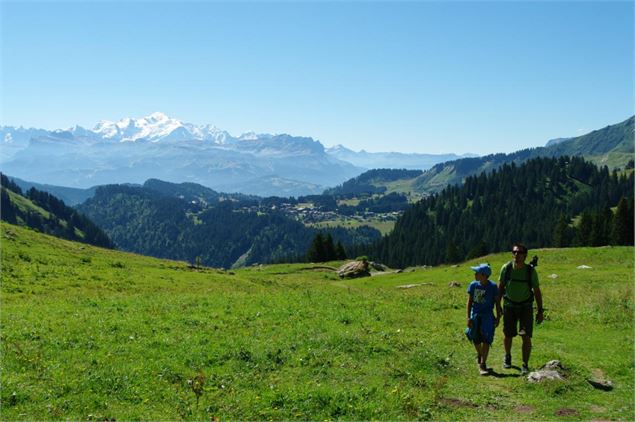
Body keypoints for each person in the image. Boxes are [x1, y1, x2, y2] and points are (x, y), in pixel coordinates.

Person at [497, 243, 544, 374]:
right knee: (507, 334)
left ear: (525, 255)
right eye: (514, 252)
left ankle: (525, 364)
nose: (517, 255)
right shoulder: (506, 268)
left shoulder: (530, 271)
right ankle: (507, 357)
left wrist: (540, 311)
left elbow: (537, 291)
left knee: (526, 336)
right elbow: (500, 287)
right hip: (509, 306)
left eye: (520, 253)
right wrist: (497, 305)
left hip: (526, 307)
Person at [466, 263, 502, 375]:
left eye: (477, 273)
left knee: (486, 339)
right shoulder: (473, 285)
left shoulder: (492, 287)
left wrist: (498, 317)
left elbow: (497, 302)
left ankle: (483, 364)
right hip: (475, 316)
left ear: (484, 275)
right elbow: (470, 302)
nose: (475, 275)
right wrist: (468, 317)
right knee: (475, 338)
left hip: (488, 317)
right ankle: (480, 354)